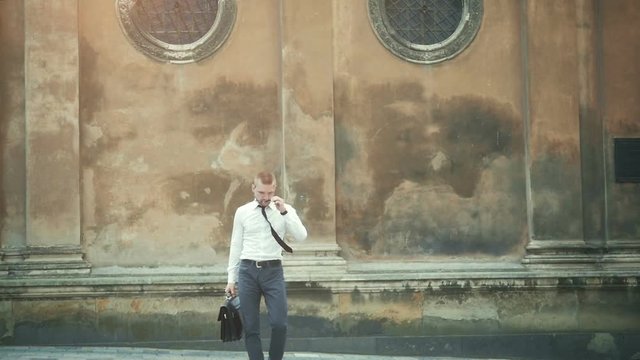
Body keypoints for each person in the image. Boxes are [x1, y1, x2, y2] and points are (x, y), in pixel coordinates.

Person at [225, 171, 308, 360]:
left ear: (275, 190)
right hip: (247, 271)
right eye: (262, 193)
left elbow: (301, 236)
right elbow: (236, 245)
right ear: (253, 188)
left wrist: (284, 212)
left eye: (270, 193)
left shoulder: (285, 210)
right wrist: (231, 279)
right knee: (251, 326)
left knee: (280, 323)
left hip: (273, 271)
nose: (266, 197)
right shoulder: (242, 212)